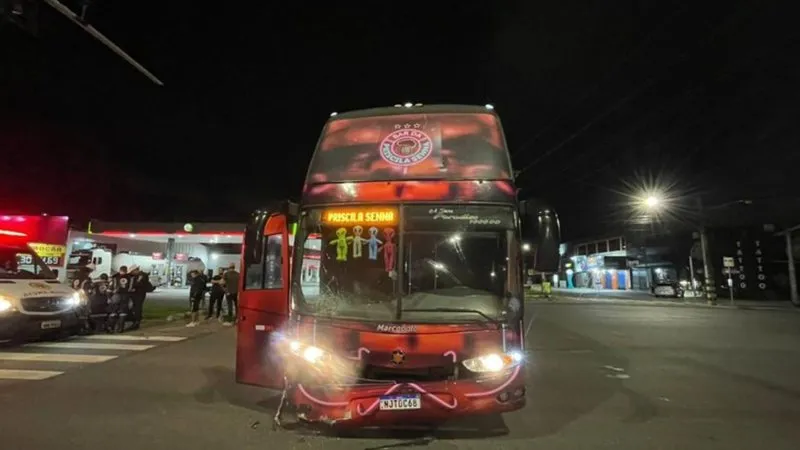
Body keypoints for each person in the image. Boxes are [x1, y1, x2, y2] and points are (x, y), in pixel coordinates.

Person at [108, 265, 133, 333]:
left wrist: (109, 297)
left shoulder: (115, 277)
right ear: (126, 270)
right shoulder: (130, 277)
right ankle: (120, 328)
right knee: (123, 312)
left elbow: (111, 287)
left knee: (113, 311)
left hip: (116, 295)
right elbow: (132, 288)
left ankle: (111, 328)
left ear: (120, 270)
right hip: (125, 295)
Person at [129, 265, 154, 331]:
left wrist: (134, 287)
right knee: (135, 307)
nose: (132, 273)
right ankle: (135, 320)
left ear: (136, 270)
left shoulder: (142, 275)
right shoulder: (137, 275)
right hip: (135, 294)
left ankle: (137, 322)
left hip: (139, 294)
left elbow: (138, 284)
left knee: (137, 307)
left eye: (132, 271)